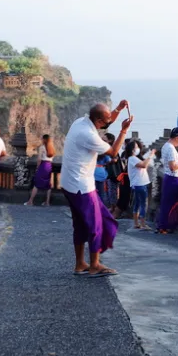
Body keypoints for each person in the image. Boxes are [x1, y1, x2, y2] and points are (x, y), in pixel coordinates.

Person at [61, 101, 133, 277]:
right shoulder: (88, 135)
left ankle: (80, 264)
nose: (110, 121)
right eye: (107, 118)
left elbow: (106, 121)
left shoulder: (80, 122)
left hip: (69, 183)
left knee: (79, 225)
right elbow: (114, 152)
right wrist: (124, 130)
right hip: (82, 186)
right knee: (97, 224)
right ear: (99, 120)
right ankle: (94, 264)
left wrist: (118, 109)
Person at [157, 128, 178, 234]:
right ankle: (164, 226)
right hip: (173, 178)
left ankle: (163, 225)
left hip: (170, 178)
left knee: (166, 203)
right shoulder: (170, 148)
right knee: (170, 204)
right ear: (177, 137)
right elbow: (173, 167)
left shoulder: (166, 146)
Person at [126, 139, 153, 231]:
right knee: (143, 204)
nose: (137, 149)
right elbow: (144, 165)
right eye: (136, 147)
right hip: (140, 184)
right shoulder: (132, 158)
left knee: (137, 204)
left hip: (137, 184)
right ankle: (143, 224)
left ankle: (136, 223)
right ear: (132, 149)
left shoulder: (132, 158)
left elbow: (143, 165)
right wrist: (150, 156)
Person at [25, 134, 55, 206]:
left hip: (43, 165)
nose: (41, 140)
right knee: (48, 184)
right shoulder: (52, 148)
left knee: (37, 183)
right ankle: (47, 202)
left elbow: (39, 159)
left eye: (42, 139)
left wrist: (37, 168)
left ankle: (30, 201)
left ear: (44, 140)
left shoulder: (42, 147)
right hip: (49, 166)